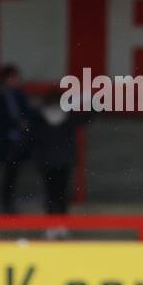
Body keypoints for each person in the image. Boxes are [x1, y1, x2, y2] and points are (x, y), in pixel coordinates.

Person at [33, 87, 89, 220]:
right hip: (64, 160)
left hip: (47, 161)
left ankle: (51, 224)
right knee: (61, 193)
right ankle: (61, 223)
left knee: (50, 193)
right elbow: (86, 119)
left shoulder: (38, 118)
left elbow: (32, 139)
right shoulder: (69, 117)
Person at [0, 64, 35, 213]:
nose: (16, 81)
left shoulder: (20, 95)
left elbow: (27, 113)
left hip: (20, 139)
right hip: (6, 140)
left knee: (13, 174)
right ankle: (6, 204)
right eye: (12, 78)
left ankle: (9, 203)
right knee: (8, 175)